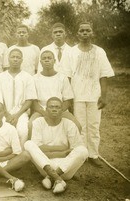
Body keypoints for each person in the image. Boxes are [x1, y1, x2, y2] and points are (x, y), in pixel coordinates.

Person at [62, 22, 115, 167]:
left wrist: (103, 96)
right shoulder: (71, 52)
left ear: (92, 33)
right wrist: (69, 98)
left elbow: (104, 75)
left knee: (93, 125)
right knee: (80, 126)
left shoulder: (100, 52)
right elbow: (67, 77)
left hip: (94, 96)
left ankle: (93, 154)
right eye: (82, 31)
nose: (85, 33)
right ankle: (82, 154)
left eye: (88, 30)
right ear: (77, 34)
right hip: (77, 95)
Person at [24, 97, 88, 194]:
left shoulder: (69, 124)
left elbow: (75, 149)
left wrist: (48, 150)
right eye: (51, 107)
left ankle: (52, 177)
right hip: (45, 166)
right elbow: (38, 149)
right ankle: (58, 179)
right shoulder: (38, 122)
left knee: (83, 150)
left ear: (62, 110)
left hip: (66, 168)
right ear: (46, 109)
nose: (54, 109)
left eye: (57, 107)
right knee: (28, 144)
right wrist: (62, 152)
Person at [29, 50, 81, 139]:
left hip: (60, 110)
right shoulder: (34, 79)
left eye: (49, 58)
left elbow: (67, 100)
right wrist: (44, 113)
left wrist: (59, 111)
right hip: (42, 111)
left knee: (77, 126)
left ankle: (70, 149)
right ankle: (34, 149)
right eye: (44, 58)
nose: (47, 60)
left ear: (54, 61)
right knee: (30, 126)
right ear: (40, 62)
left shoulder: (62, 77)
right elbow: (33, 101)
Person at [0, 48, 37, 147]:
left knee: (22, 131)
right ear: (8, 59)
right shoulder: (1, 77)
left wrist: (17, 115)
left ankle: (20, 156)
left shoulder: (28, 77)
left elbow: (29, 100)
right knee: (1, 130)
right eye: (13, 57)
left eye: (18, 57)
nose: (15, 59)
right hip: (4, 112)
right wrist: (7, 114)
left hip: (21, 112)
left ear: (22, 60)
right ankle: (4, 154)